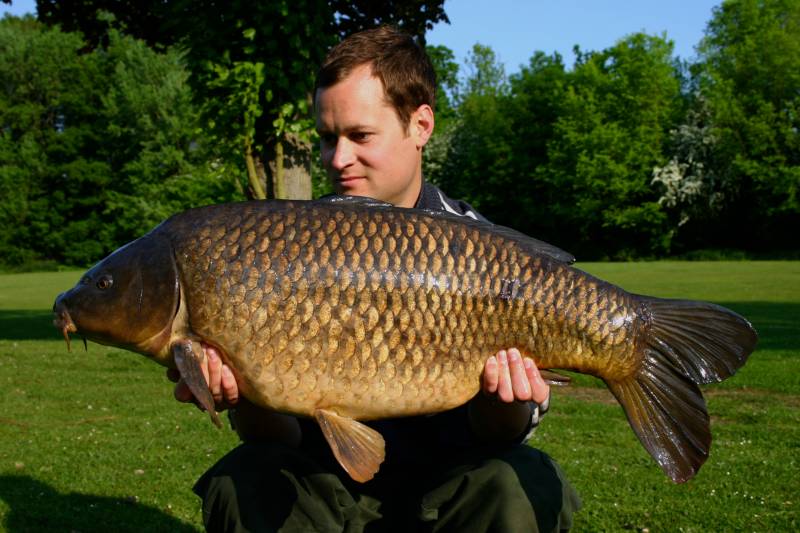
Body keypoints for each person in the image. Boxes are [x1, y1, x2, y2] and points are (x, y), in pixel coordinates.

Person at [168, 26, 581, 532]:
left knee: (521, 480)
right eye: (327, 138)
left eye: (360, 136)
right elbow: (274, 438)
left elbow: (503, 436)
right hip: (332, 491)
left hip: (450, 493)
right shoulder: (285, 246)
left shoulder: (485, 253)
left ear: (421, 125)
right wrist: (244, 393)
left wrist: (505, 402)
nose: (338, 160)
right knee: (245, 477)